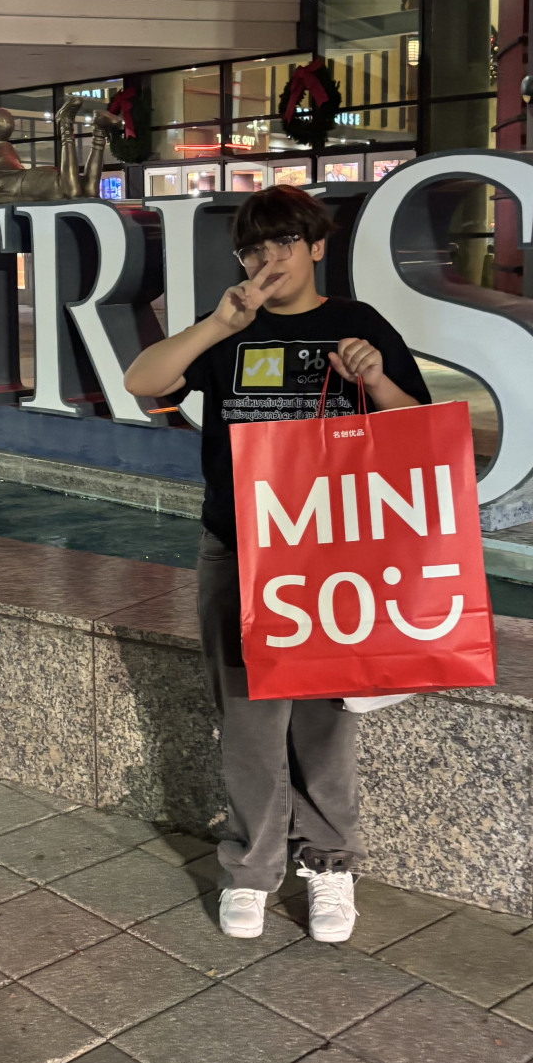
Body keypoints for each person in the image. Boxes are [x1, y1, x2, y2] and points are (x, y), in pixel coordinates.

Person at [124, 187, 430, 945]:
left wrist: (377, 381)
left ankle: (330, 864)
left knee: (325, 721)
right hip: (239, 547)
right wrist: (219, 323)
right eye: (255, 247)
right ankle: (252, 869)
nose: (270, 259)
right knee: (250, 722)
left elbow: (420, 432)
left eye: (286, 242)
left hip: (334, 554)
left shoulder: (358, 324)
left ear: (317, 247)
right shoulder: (230, 326)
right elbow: (142, 382)